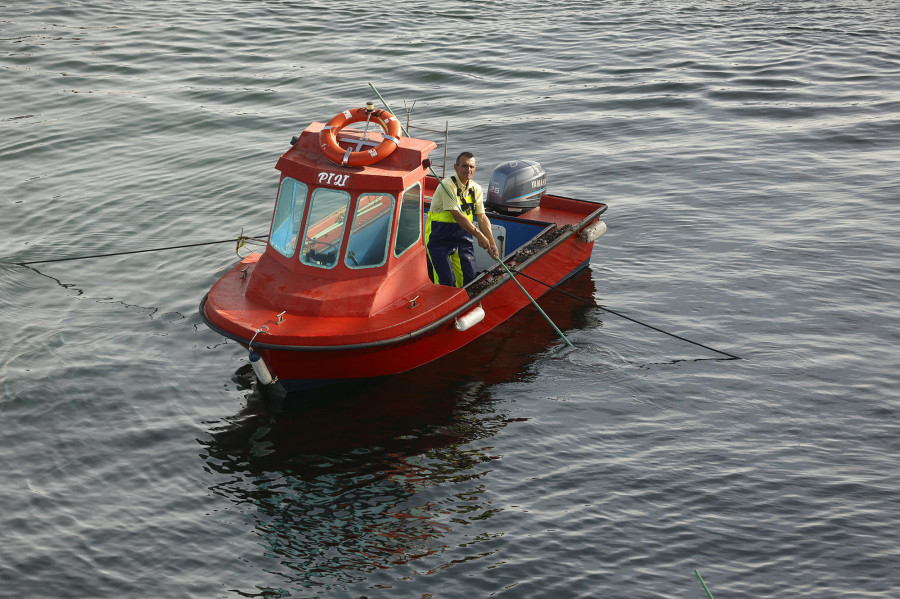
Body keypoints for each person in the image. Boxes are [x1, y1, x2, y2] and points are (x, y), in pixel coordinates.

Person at [425, 152, 499, 287]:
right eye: (465, 166)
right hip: (439, 237)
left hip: (463, 237)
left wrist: (492, 243)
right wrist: (480, 236)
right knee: (446, 281)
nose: (468, 170)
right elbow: (458, 215)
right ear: (456, 167)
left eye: (471, 167)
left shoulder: (476, 188)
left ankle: (465, 305)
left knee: (469, 279)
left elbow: (482, 217)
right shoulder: (447, 185)